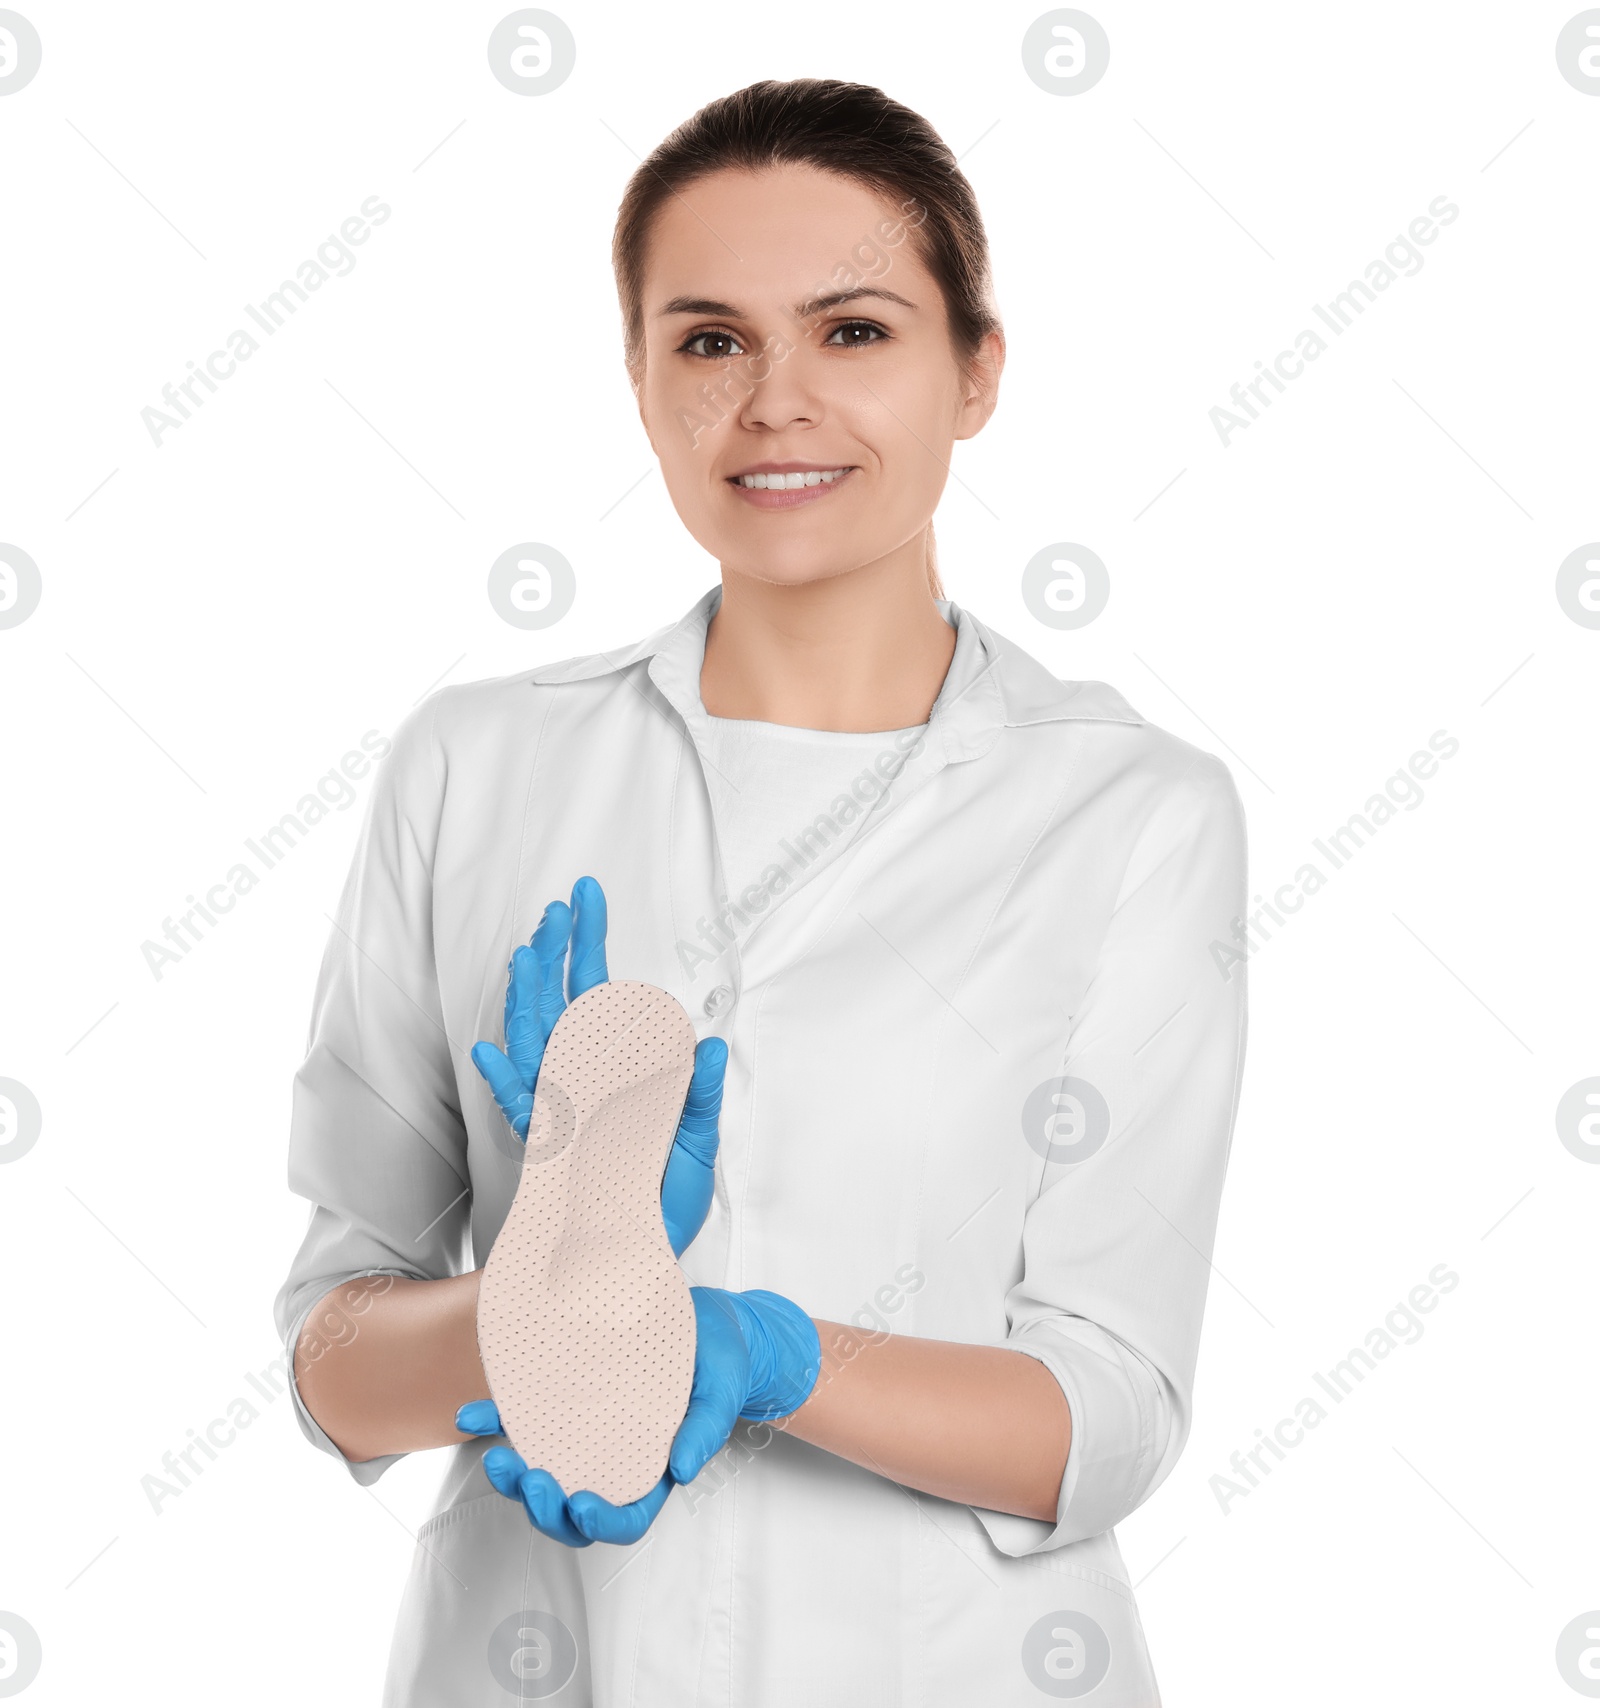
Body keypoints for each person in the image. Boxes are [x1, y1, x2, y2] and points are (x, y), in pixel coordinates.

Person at [274, 77, 1248, 1708]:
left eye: (854, 332)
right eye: (710, 341)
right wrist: (539, 1310)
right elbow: (335, 1364)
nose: (776, 402)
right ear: (645, 385)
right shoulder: (475, 767)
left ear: (977, 370)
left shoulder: (1130, 810)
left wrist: (762, 1355)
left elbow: (1115, 1405)